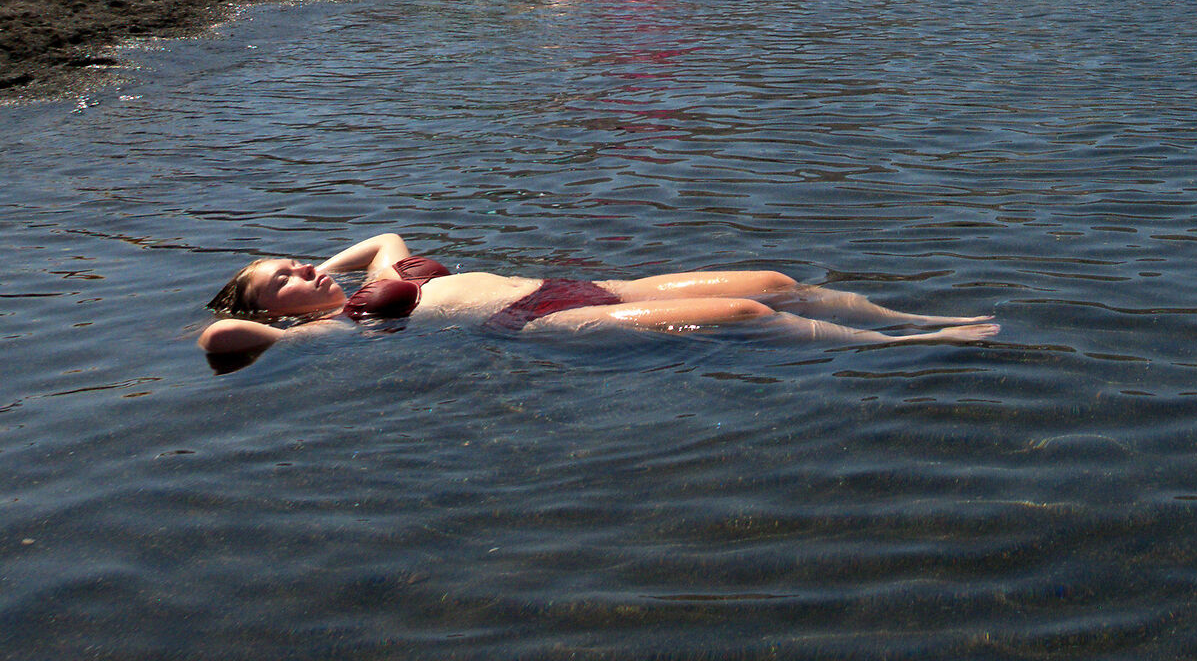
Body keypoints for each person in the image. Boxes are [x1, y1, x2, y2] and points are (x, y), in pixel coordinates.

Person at [197, 231, 998, 368]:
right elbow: (219, 341)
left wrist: (312, 265)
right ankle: (906, 347)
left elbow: (384, 231)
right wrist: (265, 317)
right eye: (284, 279)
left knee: (774, 284)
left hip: (577, 286)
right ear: (272, 312)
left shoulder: (371, 282)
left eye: (296, 262)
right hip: (540, 320)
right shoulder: (336, 327)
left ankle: (914, 317)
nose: (305, 272)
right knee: (747, 316)